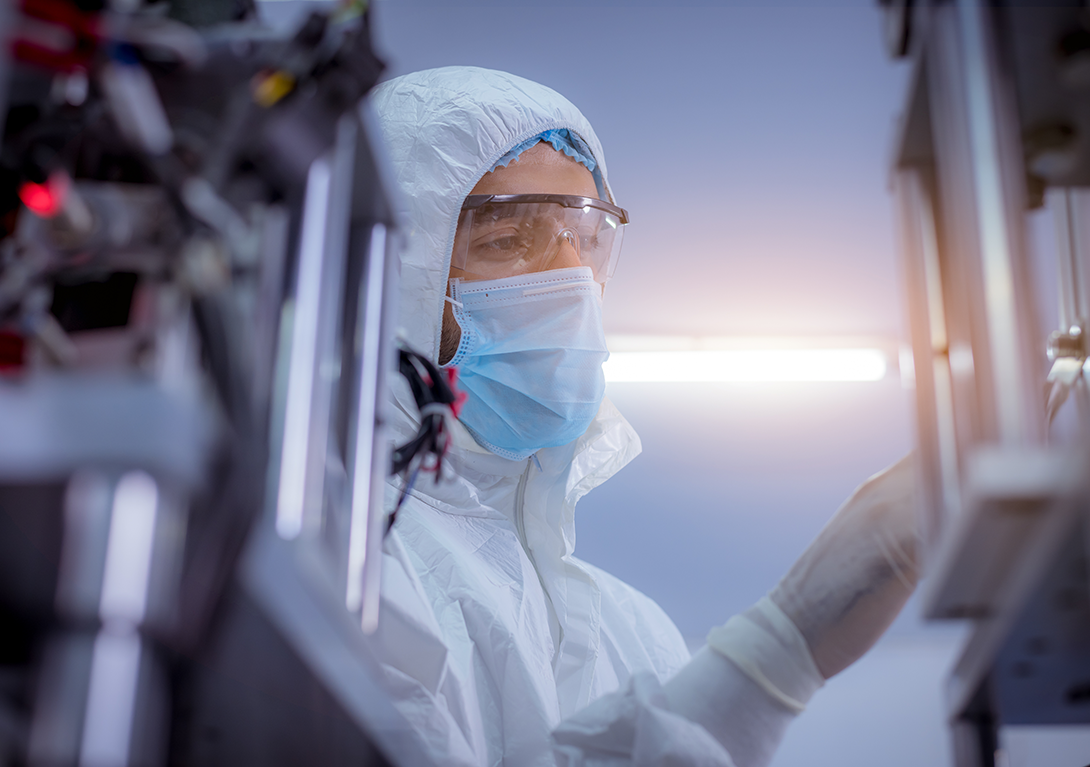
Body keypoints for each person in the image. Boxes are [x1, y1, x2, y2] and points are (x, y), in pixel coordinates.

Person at [368, 66, 919, 767]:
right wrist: (774, 658)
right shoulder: (349, 556)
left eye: (587, 239)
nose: (573, 286)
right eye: (508, 240)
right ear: (398, 275)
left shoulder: (638, 634)